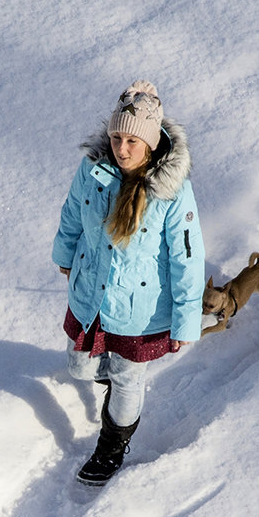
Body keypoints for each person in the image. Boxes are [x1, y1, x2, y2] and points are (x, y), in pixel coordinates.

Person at [52, 81, 204, 485]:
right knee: (80, 369)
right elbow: (71, 214)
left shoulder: (172, 194)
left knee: (126, 378)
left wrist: (186, 320)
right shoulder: (93, 171)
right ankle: (109, 377)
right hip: (92, 296)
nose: (123, 148)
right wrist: (64, 256)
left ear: (151, 143)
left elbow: (187, 259)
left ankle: (113, 445)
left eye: (133, 140)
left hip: (141, 311)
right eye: (117, 137)